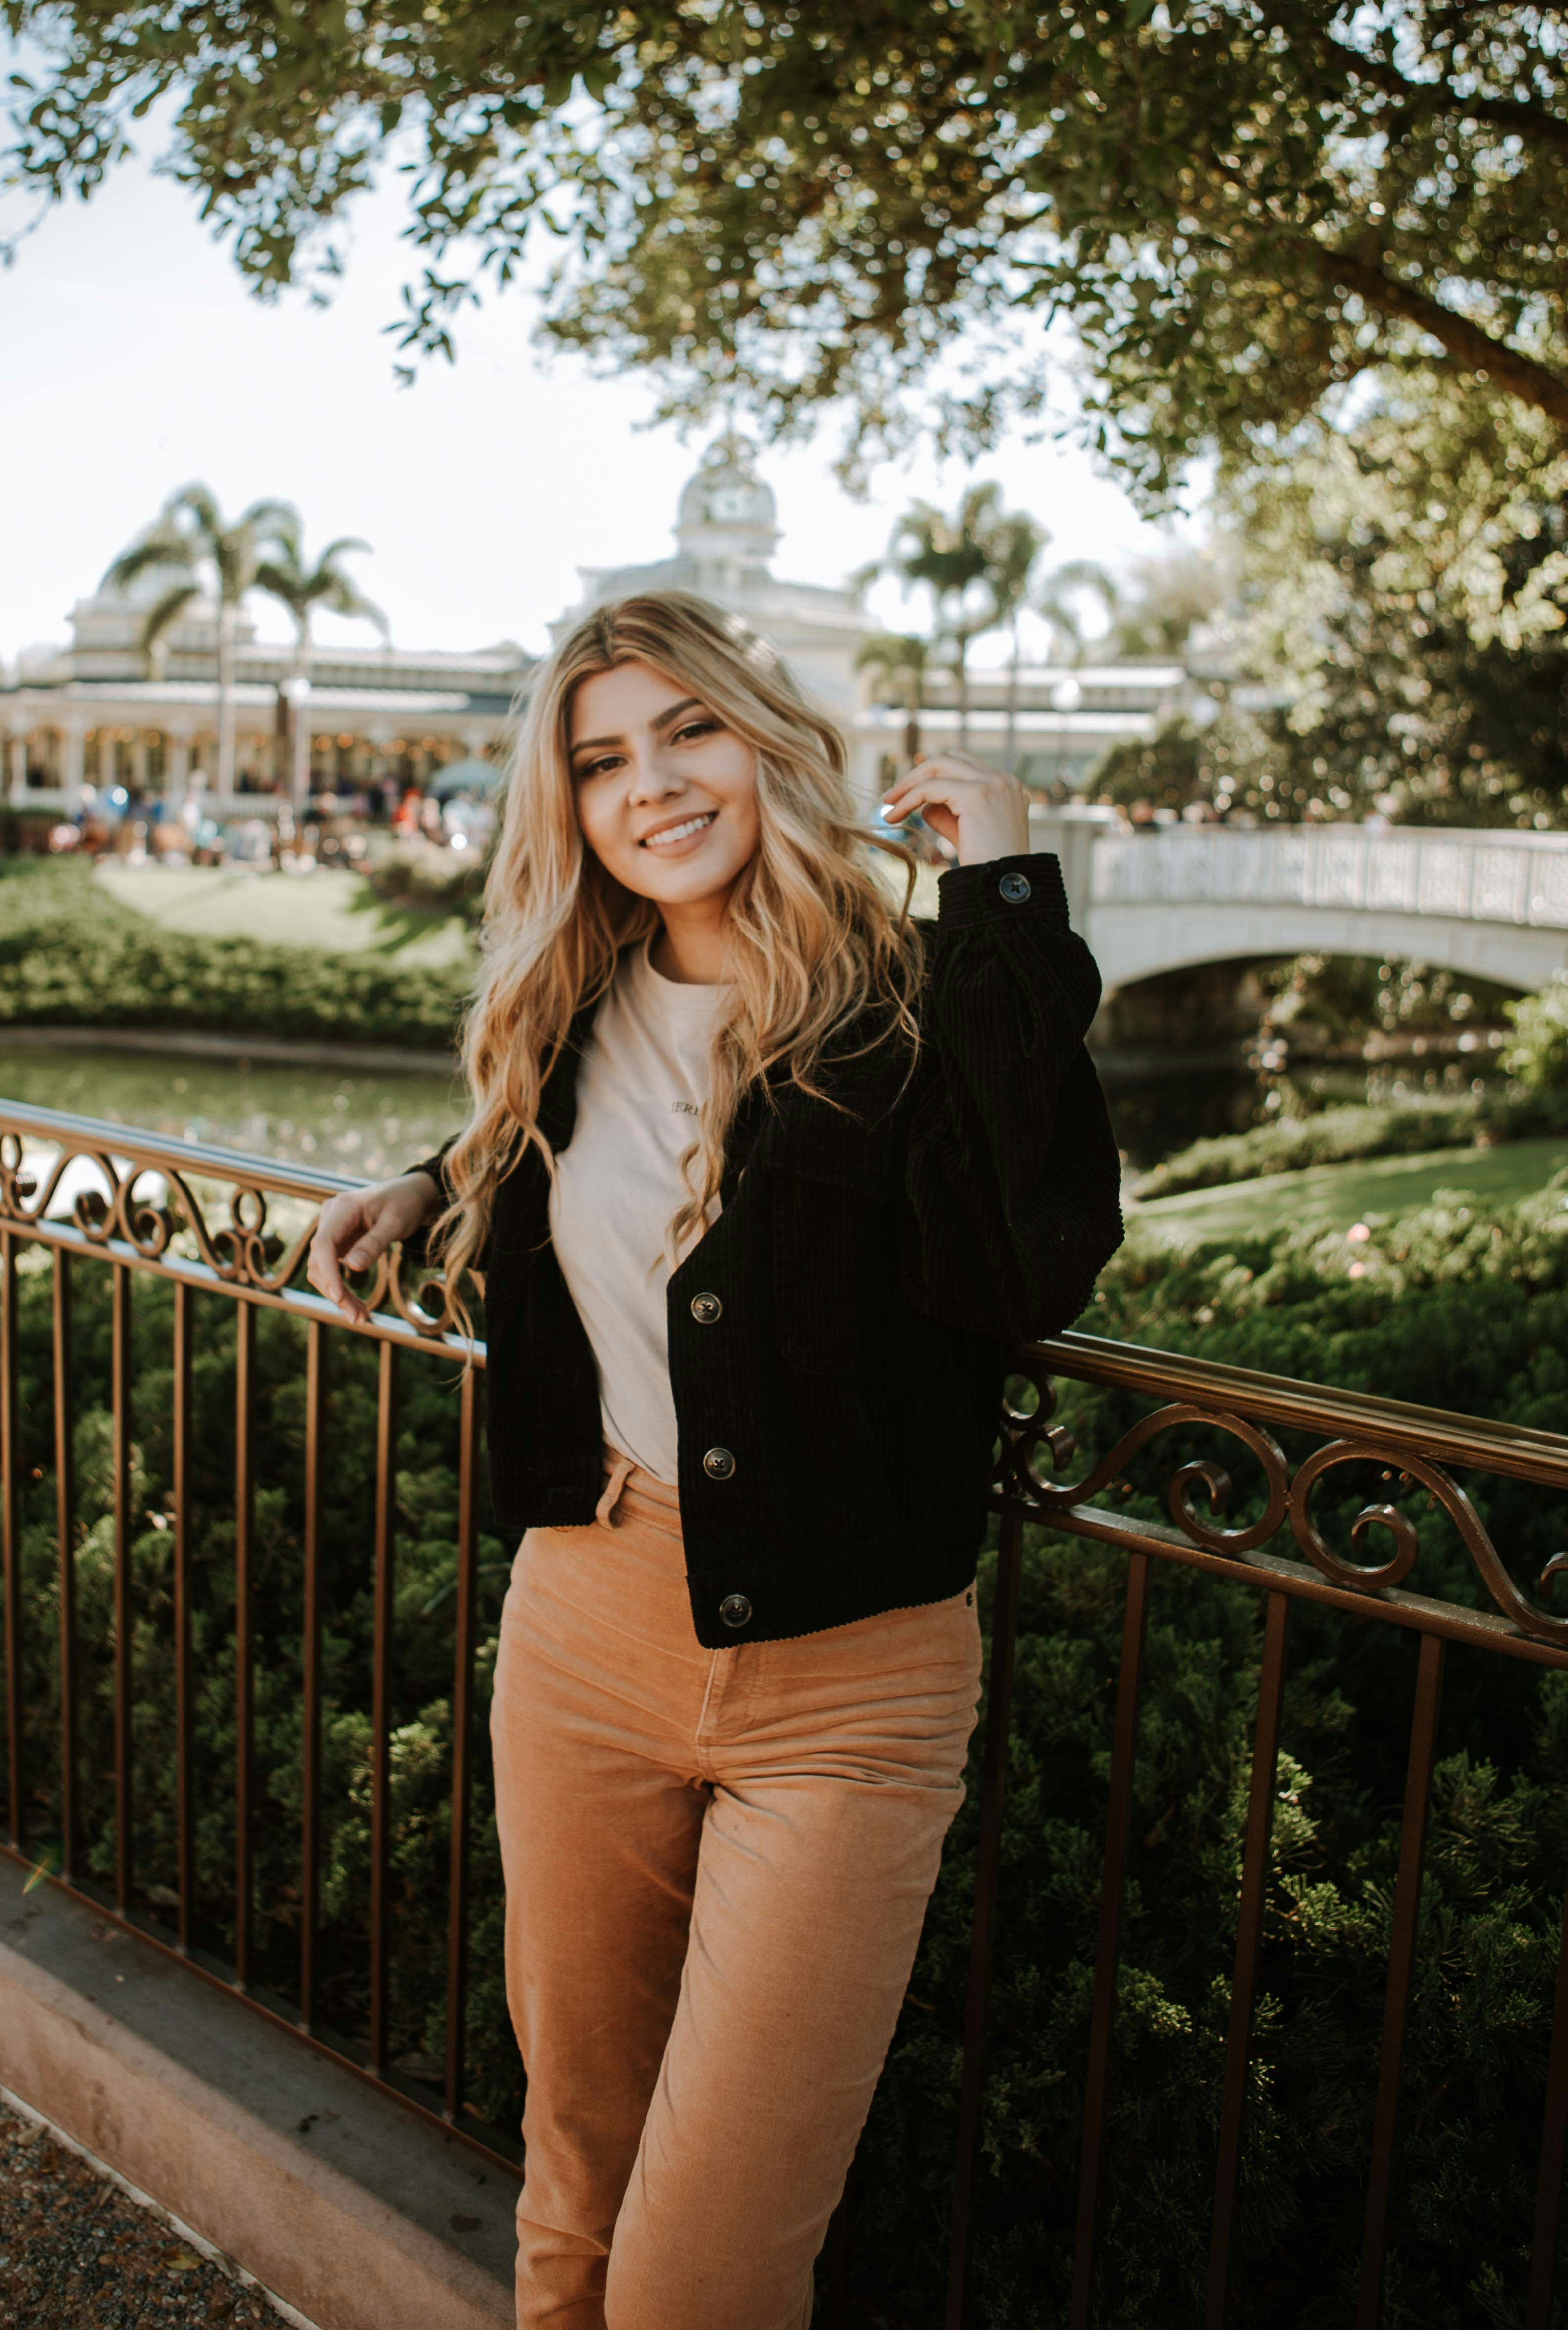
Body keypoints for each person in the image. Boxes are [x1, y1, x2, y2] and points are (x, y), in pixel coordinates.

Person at [308, 589, 1122, 2330]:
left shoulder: (900, 1003)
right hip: (587, 1621)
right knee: (573, 2193)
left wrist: (1003, 890)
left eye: (688, 732)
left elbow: (1020, 1261)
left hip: (848, 1682)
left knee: (701, 2274)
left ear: (762, 736)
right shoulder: (568, 1004)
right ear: (570, 803)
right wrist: (422, 1186)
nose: (651, 786)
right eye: (603, 760)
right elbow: (562, 1159)